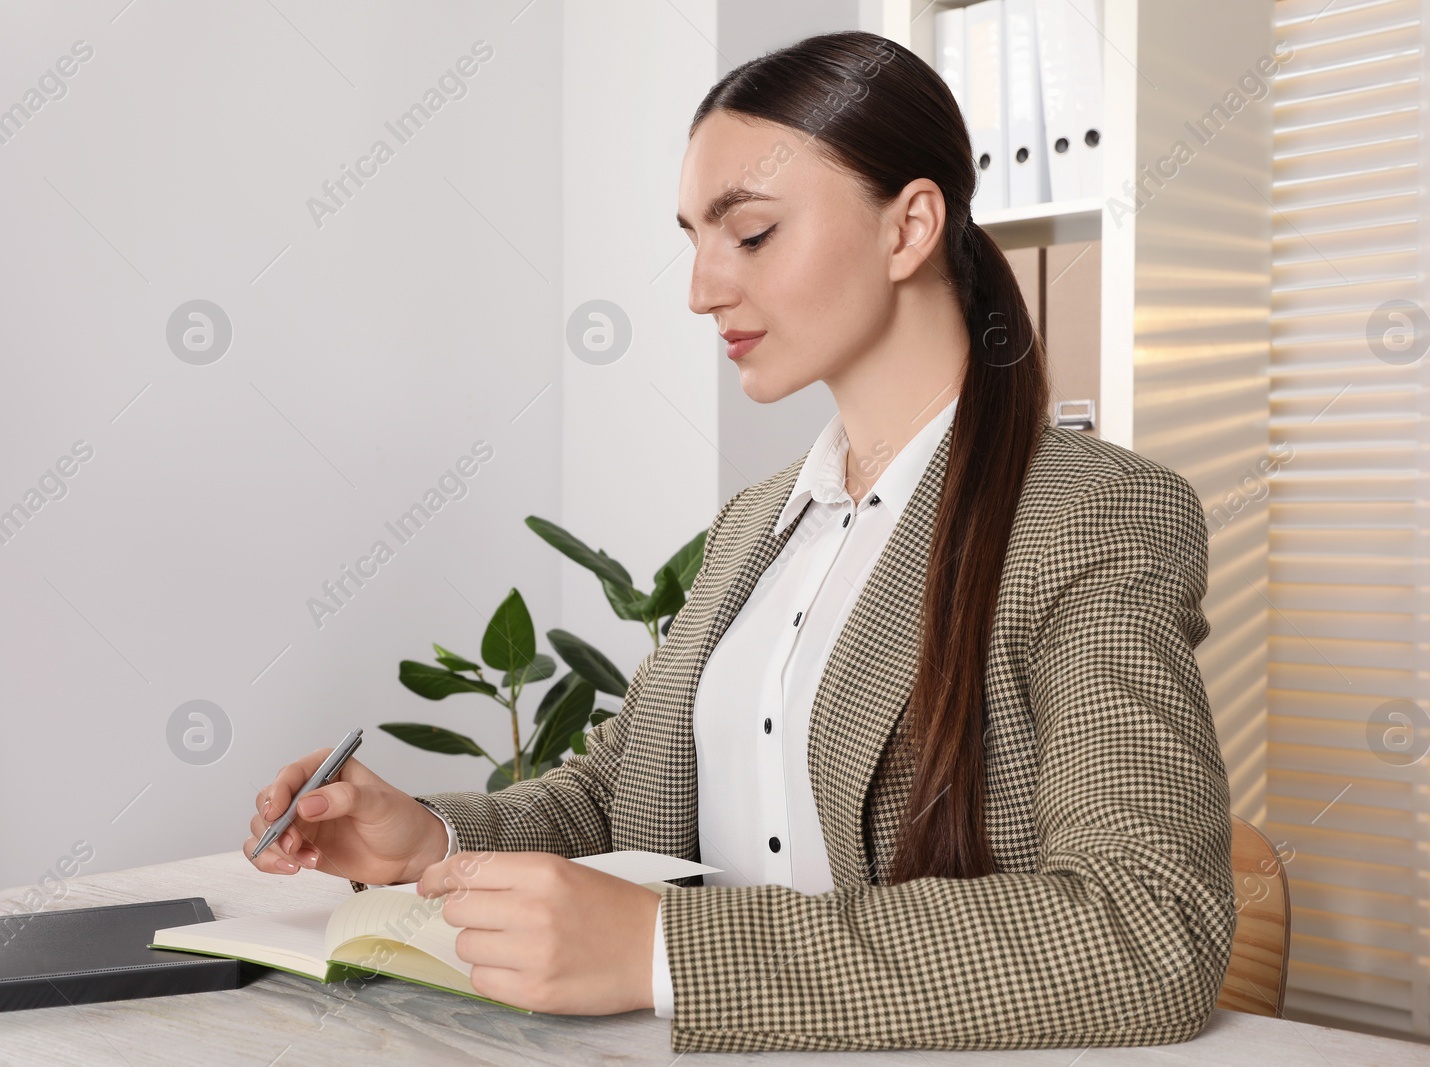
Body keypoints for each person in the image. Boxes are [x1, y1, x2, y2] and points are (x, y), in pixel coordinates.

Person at [244, 30, 1236, 1054]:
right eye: (692, 239)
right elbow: (623, 793)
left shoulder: (1091, 515)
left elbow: (1148, 927)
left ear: (911, 229)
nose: (701, 289)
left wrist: (666, 950)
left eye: (751, 234)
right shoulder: (760, 520)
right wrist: (429, 836)